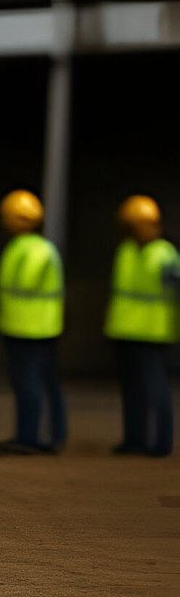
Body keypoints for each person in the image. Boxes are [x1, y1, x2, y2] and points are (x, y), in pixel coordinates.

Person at [0, 189, 66, 456]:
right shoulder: (27, 247)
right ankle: (36, 435)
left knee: (31, 383)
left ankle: (32, 438)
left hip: (31, 328)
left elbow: (23, 287)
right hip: (27, 325)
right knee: (36, 383)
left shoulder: (32, 250)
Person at [106, 194, 179, 457]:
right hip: (124, 330)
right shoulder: (126, 250)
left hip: (152, 332)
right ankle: (134, 440)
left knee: (155, 388)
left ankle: (161, 443)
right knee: (131, 389)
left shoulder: (164, 254)